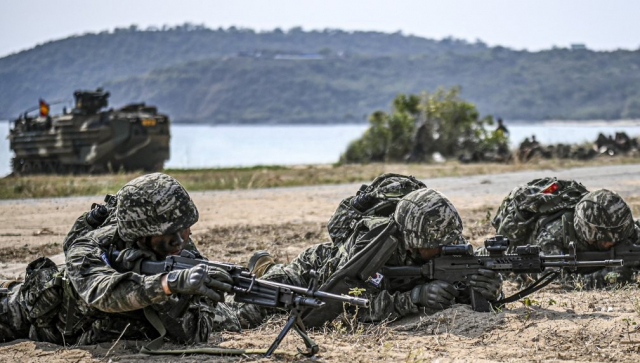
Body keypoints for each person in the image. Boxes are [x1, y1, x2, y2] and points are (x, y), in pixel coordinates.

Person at [0, 173, 240, 345]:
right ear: (140, 232)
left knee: (234, 316)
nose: (179, 241)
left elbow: (195, 331)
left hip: (108, 332)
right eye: (167, 234)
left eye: (185, 229)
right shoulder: (90, 246)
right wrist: (170, 283)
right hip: (34, 320)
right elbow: (102, 292)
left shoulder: (179, 247)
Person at [235, 187, 503, 328]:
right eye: (437, 244)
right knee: (247, 311)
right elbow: (346, 305)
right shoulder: (372, 247)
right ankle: (266, 269)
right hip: (312, 273)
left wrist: (489, 291)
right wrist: (412, 299)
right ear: (414, 239)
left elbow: (463, 277)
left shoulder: (442, 237)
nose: (448, 247)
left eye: (450, 241)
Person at [493, 179, 638, 287]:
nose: (618, 241)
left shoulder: (619, 228)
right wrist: (607, 277)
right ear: (590, 234)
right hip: (517, 258)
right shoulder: (552, 236)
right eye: (611, 239)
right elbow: (554, 282)